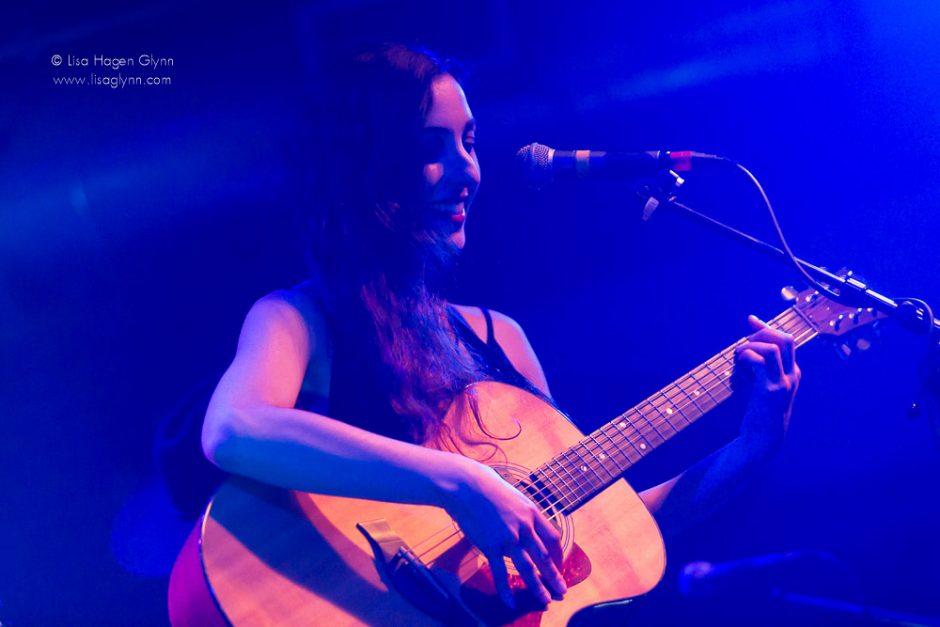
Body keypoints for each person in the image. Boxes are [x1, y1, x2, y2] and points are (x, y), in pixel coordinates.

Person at [200, 44, 800, 611]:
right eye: (430, 147)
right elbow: (233, 428)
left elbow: (605, 539)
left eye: (469, 141)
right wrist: (459, 482)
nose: (467, 170)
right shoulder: (298, 318)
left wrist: (750, 447)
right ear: (365, 169)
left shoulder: (500, 337)